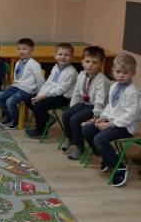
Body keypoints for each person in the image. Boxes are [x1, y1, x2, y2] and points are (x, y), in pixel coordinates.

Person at [81, 53, 140, 186]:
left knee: (99, 139)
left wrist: (109, 125)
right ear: (112, 70)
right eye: (118, 72)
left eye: (126, 72)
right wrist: (102, 117)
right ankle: (108, 156)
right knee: (86, 130)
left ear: (133, 73)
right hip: (111, 122)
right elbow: (110, 106)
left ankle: (119, 167)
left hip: (125, 127)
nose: (121, 75)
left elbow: (129, 116)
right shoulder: (113, 86)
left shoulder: (133, 93)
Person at [61, 45, 110, 160]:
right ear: (82, 62)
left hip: (94, 107)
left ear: (100, 64)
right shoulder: (82, 75)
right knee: (66, 115)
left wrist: (96, 115)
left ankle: (80, 146)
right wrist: (72, 107)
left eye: (95, 62)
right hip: (83, 103)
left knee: (75, 119)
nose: (90, 65)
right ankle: (70, 138)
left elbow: (100, 100)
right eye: (87, 61)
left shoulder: (101, 79)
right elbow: (76, 92)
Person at [25, 43, 78, 138]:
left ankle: (40, 131)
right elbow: (49, 83)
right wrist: (40, 94)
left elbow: (61, 90)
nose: (63, 57)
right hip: (52, 93)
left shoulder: (71, 72)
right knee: (29, 99)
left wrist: (44, 96)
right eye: (60, 54)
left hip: (64, 97)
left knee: (39, 105)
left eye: (66, 55)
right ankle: (47, 118)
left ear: (72, 57)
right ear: (55, 56)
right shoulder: (55, 67)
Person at [0, 38, 44, 129]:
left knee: (10, 101)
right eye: (19, 49)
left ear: (31, 49)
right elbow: (17, 78)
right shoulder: (18, 62)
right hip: (16, 87)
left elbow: (40, 80)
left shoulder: (34, 64)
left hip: (27, 90)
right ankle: (9, 116)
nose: (21, 51)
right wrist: (13, 87)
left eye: (24, 49)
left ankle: (16, 120)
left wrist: (39, 93)